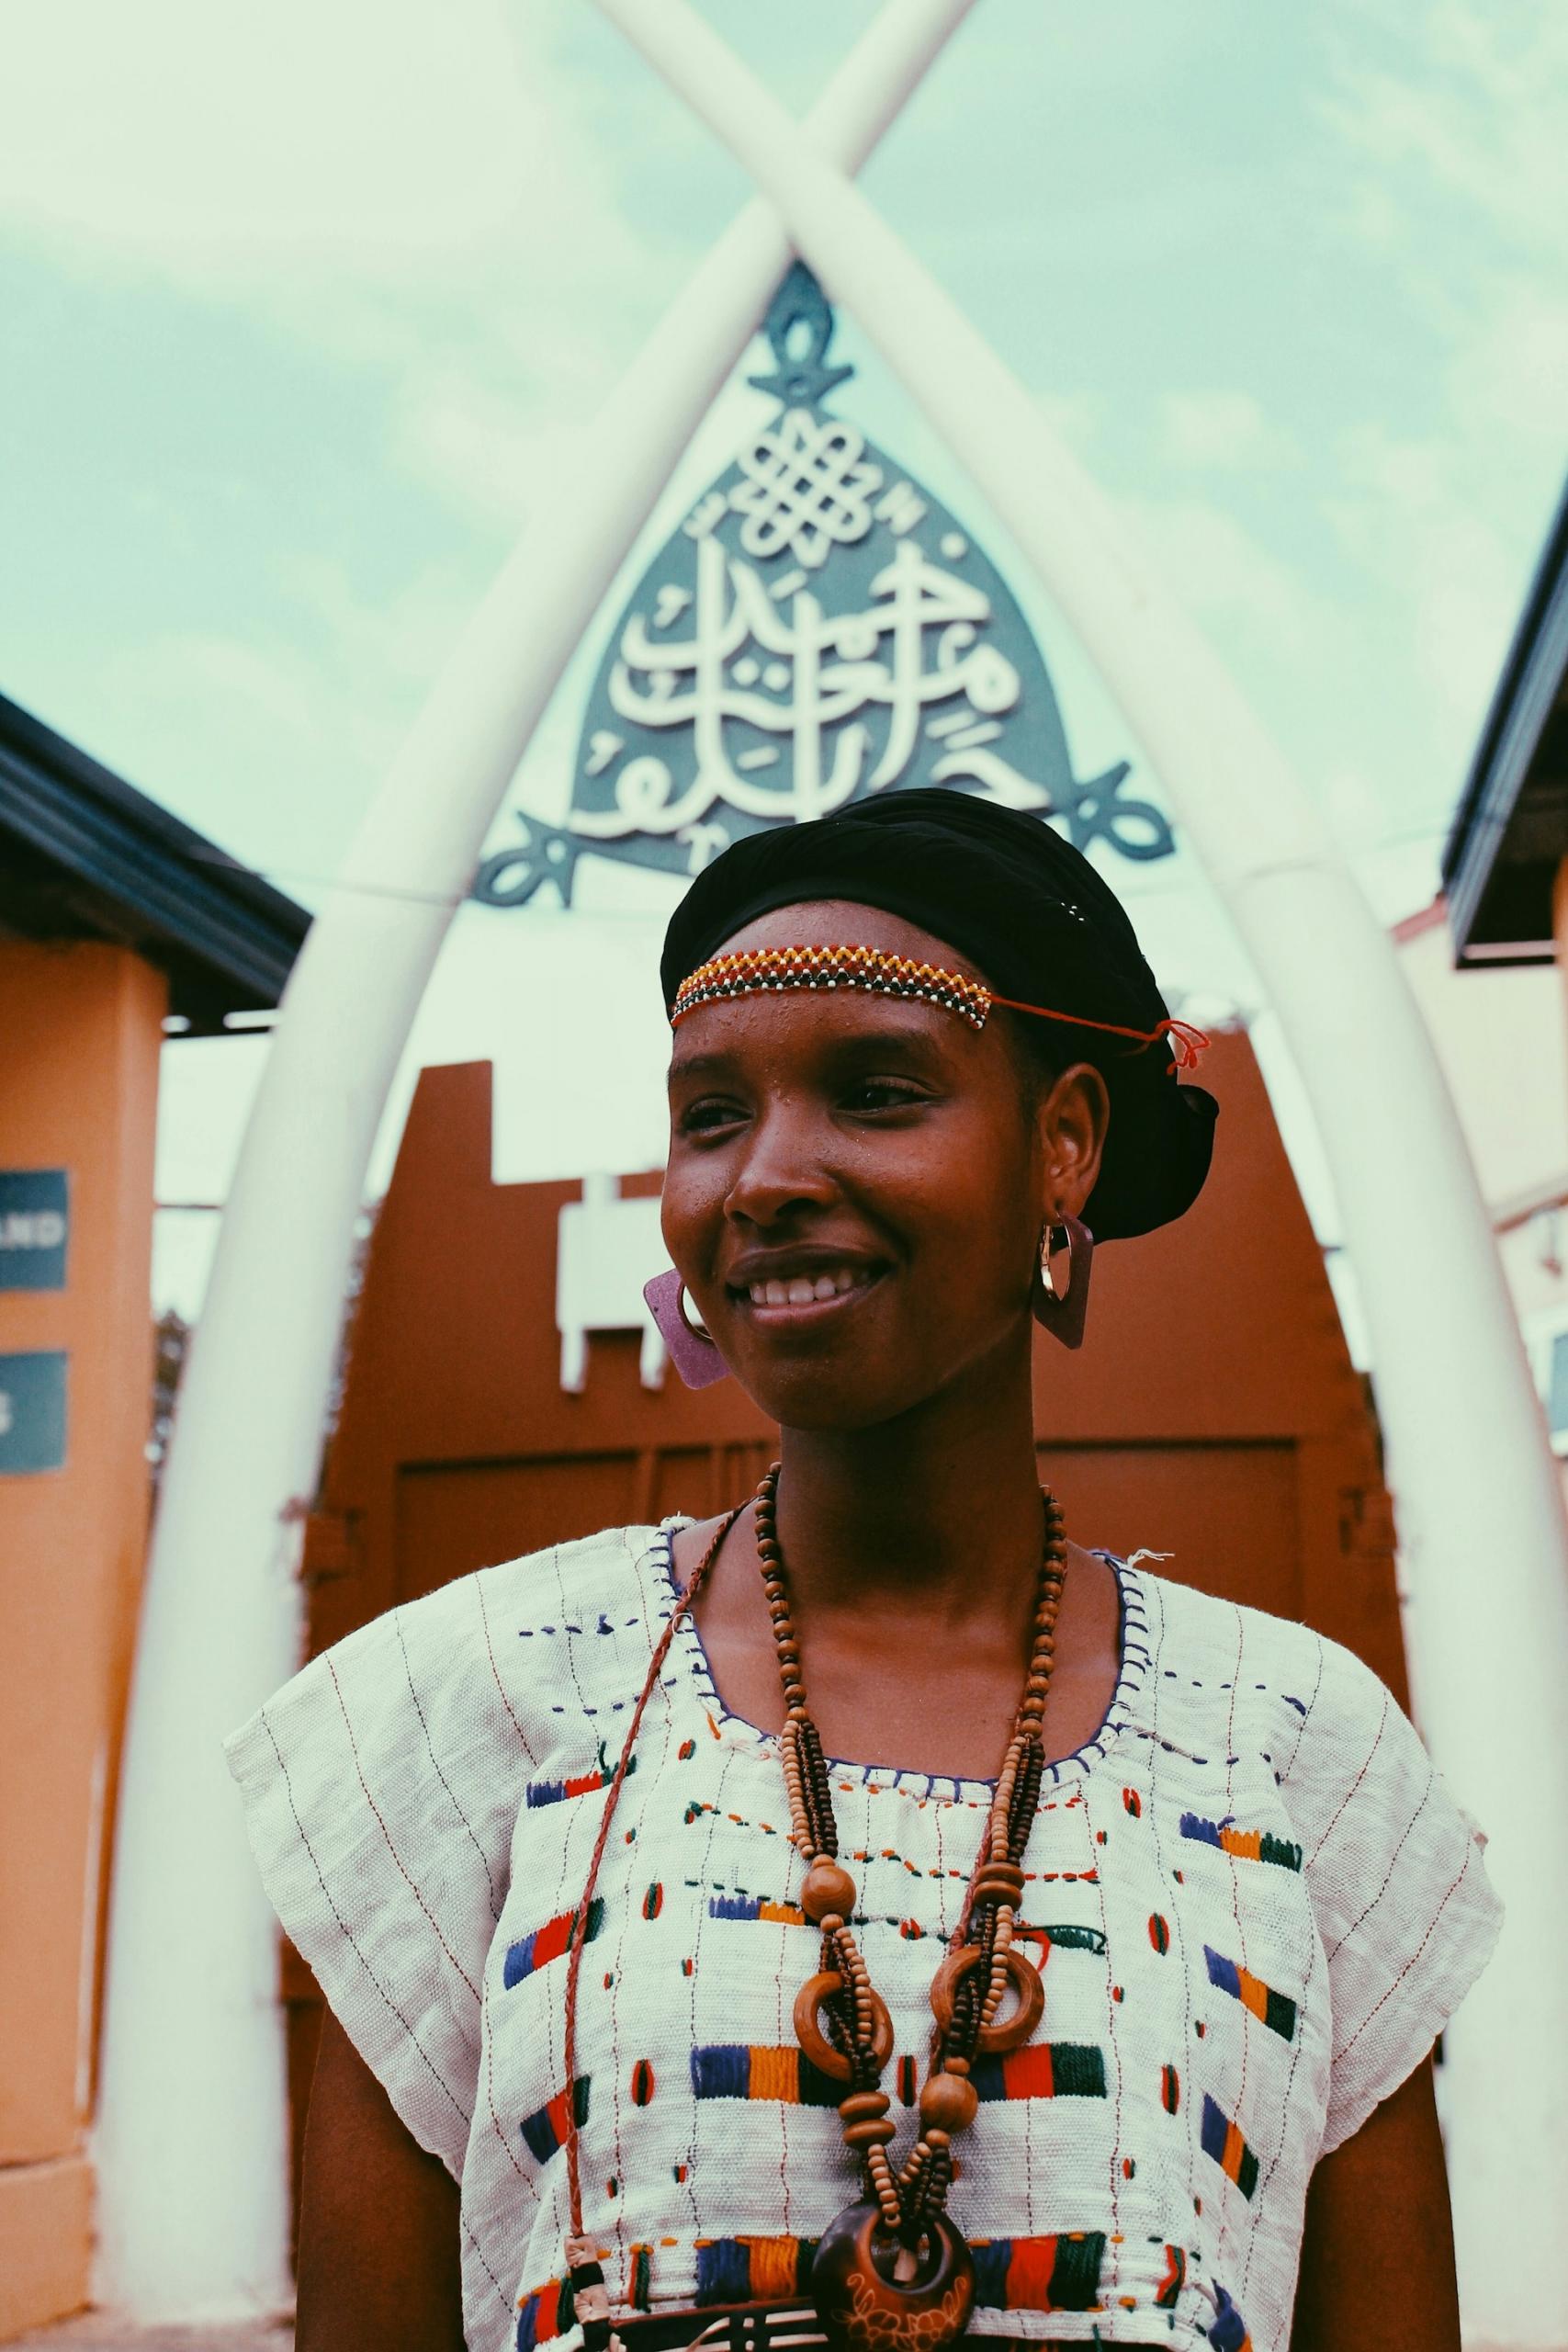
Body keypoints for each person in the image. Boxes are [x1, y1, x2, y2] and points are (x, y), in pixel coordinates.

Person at [228, 789, 1500, 2352]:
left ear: (1066, 1146)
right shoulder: (465, 1715)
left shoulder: (1302, 1750)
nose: (762, 1177)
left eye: (877, 1091)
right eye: (710, 1116)